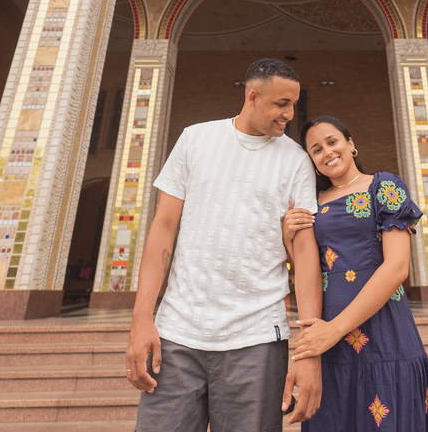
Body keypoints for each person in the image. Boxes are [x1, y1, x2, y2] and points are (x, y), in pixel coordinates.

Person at [125, 58, 324, 431]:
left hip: (258, 338)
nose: (290, 114)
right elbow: (164, 229)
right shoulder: (195, 139)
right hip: (177, 334)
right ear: (252, 97)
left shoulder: (297, 161)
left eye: (294, 104)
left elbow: (304, 252)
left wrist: (308, 350)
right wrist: (141, 319)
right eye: (282, 104)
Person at [282, 115, 428, 431]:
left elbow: (397, 267)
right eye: (316, 150)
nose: (327, 152)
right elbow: (307, 269)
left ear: (350, 144)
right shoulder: (313, 203)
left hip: (383, 330)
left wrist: (335, 329)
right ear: (312, 162)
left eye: (332, 141)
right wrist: (288, 236)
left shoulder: (384, 186)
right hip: (329, 338)